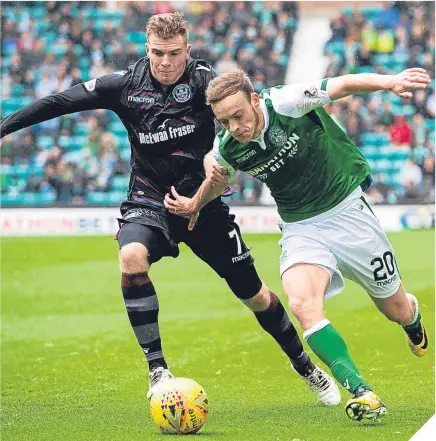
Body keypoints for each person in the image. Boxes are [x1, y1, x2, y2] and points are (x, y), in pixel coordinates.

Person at [0, 13, 340, 406]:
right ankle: (157, 368)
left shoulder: (203, 82)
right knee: (131, 256)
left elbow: (245, 118)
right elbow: (60, 102)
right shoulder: (124, 85)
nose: (165, 61)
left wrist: (221, 162)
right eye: (158, 53)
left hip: (204, 206)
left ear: (187, 51)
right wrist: (5, 127)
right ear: (147, 50)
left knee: (256, 296)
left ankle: (305, 366)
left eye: (174, 53)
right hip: (150, 201)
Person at [164, 67, 430, 421]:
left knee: (396, 309)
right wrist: (195, 203)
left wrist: (388, 82)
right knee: (303, 305)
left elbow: (341, 84)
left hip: (348, 213)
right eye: (224, 121)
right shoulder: (228, 147)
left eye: (239, 116)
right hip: (301, 227)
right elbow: (217, 178)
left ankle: (412, 319)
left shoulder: (286, 102)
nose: (234, 127)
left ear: (255, 100)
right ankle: (363, 392)